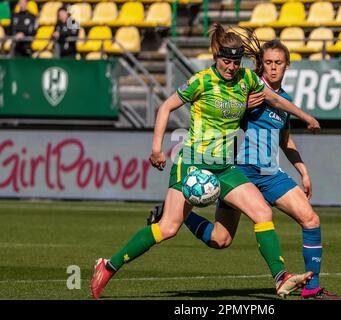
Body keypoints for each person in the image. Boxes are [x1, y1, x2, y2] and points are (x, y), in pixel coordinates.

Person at [90, 23, 321, 300]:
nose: (231, 67)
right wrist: (156, 149)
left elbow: (276, 100)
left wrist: (306, 117)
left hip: (224, 167)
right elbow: (165, 107)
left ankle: (280, 278)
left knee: (262, 213)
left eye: (236, 62)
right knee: (168, 228)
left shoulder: (247, 79)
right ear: (216, 58)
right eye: (226, 61)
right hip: (192, 163)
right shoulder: (200, 81)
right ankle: (109, 265)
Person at [148, 39, 341, 300]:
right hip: (239, 172)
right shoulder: (244, 87)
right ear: (262, 65)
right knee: (220, 240)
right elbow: (220, 114)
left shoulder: (283, 101)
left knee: (311, 220)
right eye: (269, 63)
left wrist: (303, 171)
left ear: (287, 66)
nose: (273, 68)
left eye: (279, 63)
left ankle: (312, 288)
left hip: (270, 175)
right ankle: (175, 217)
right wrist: (242, 107)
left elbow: (285, 140)